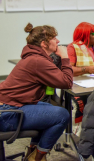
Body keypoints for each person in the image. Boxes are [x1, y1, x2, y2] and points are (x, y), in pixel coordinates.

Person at [0, 23, 73, 161]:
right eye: (54, 38)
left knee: (49, 108)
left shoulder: (34, 56)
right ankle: (37, 158)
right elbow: (66, 82)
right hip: (7, 114)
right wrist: (64, 57)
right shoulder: (38, 60)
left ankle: (33, 150)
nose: (58, 41)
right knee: (62, 115)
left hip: (7, 107)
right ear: (44, 43)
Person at [67, 22, 94, 127]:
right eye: (93, 33)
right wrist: (87, 69)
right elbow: (68, 69)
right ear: (85, 35)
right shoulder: (73, 47)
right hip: (78, 85)